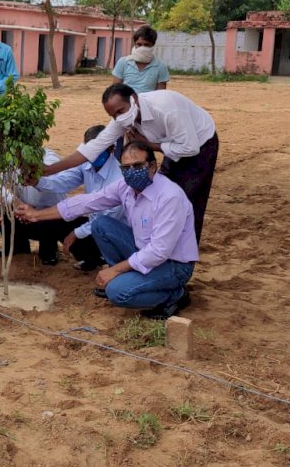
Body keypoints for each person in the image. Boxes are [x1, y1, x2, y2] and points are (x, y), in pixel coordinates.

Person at [17, 141, 198, 319]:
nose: (132, 171)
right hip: (141, 249)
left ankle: (175, 294)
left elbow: (159, 252)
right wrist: (36, 215)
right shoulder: (125, 187)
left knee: (117, 292)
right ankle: (128, 278)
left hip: (173, 263)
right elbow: (87, 202)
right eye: (126, 168)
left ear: (152, 167)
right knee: (101, 224)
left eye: (138, 165)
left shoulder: (169, 197)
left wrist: (116, 270)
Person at [41, 84, 218, 241]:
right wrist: (49, 170)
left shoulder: (166, 109)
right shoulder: (122, 119)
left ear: (133, 99)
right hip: (171, 144)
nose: (119, 118)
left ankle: (183, 255)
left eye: (120, 111)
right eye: (113, 115)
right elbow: (92, 149)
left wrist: (150, 145)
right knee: (159, 193)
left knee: (188, 200)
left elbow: (190, 148)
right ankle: (156, 242)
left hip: (200, 144)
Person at [33, 125, 126, 271]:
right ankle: (87, 258)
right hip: (94, 222)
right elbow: (62, 182)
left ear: (111, 149)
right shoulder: (85, 165)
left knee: (97, 225)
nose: (94, 155)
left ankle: (107, 258)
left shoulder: (118, 177)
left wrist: (76, 233)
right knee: (52, 220)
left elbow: (108, 219)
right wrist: (37, 181)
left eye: (99, 151)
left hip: (114, 230)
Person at [111, 24, 169, 93]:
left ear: (153, 45)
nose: (142, 48)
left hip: (148, 103)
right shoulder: (123, 62)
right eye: (139, 44)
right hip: (127, 103)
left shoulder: (160, 67)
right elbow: (116, 91)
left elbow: (160, 95)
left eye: (146, 45)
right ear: (135, 44)